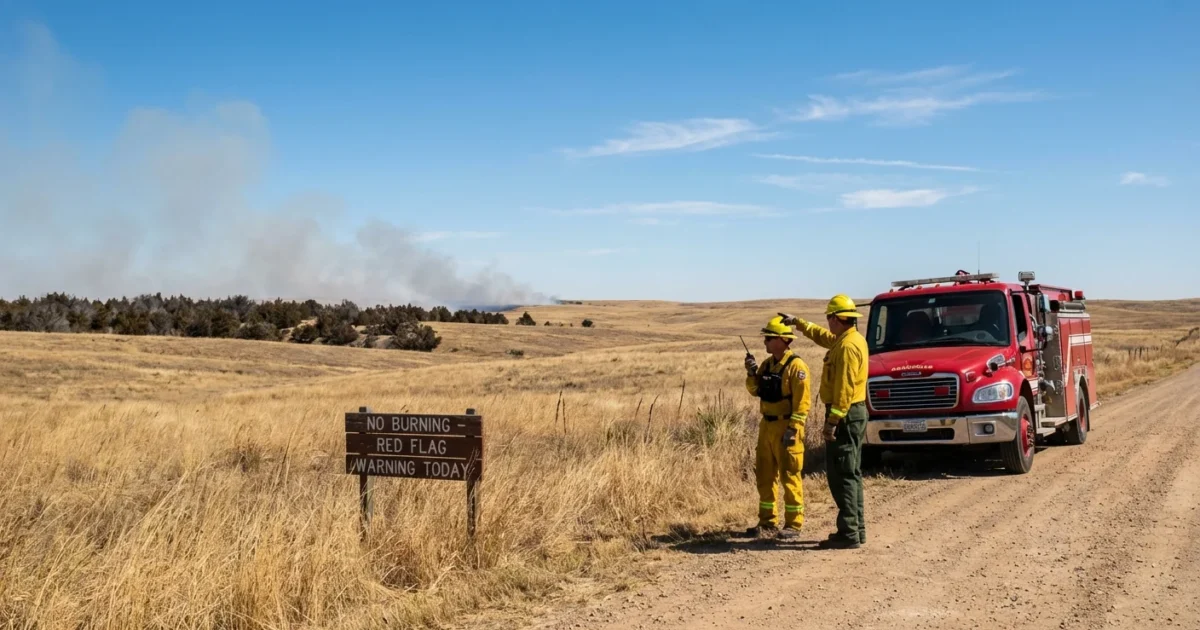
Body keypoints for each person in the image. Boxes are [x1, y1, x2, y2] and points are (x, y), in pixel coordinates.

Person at [779, 295, 869, 550]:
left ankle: (849, 532)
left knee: (842, 475)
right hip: (850, 413)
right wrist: (798, 323)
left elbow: (844, 387)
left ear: (836, 318)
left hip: (846, 414)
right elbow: (822, 337)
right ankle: (855, 530)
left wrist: (833, 421)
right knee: (851, 473)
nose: (827, 324)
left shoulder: (848, 347)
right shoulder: (848, 339)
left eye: (829, 318)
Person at [743, 316, 811, 540]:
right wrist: (752, 373)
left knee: (789, 475)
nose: (765, 342)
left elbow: (802, 403)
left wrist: (793, 429)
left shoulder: (797, 367)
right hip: (766, 426)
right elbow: (755, 391)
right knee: (764, 475)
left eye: (769, 338)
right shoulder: (766, 365)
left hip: (786, 426)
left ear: (783, 340)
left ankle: (794, 524)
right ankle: (767, 521)